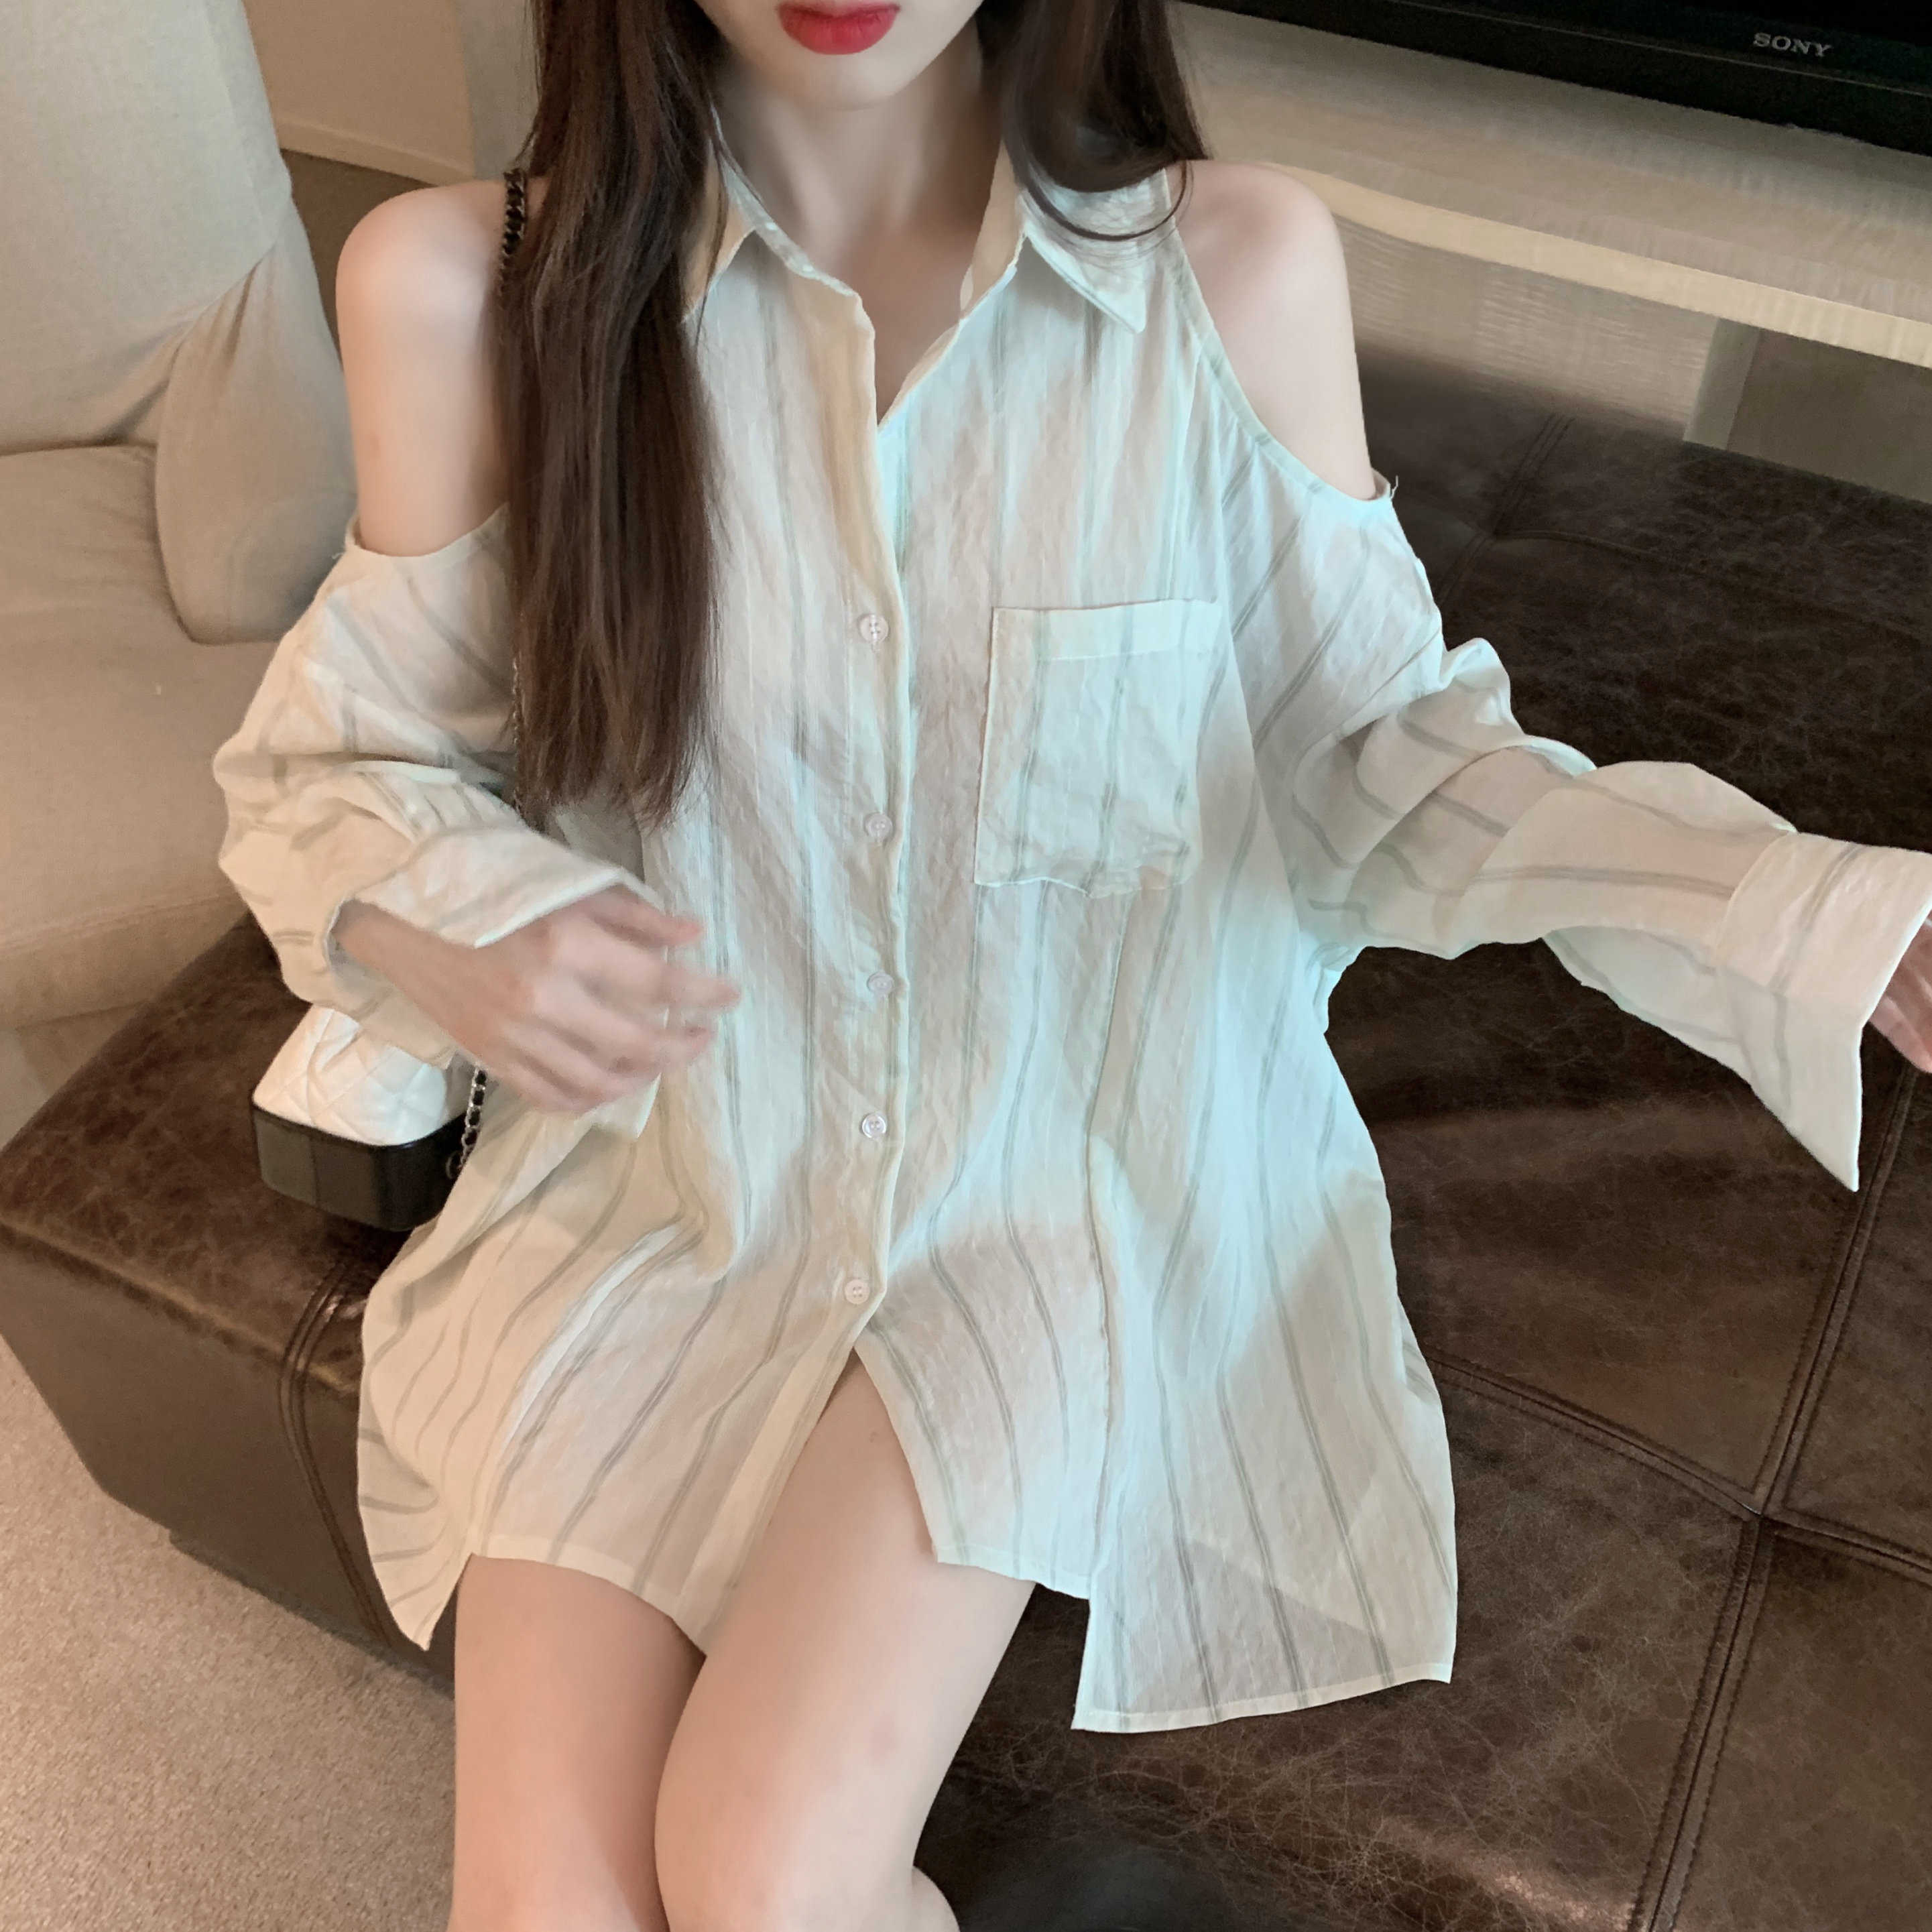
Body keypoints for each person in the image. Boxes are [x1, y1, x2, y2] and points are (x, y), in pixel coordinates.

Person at [210, 1, 1932, 1928]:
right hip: (672, 1181)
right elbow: (343, 771)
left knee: (769, 1878)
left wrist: (1788, 901)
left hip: (1072, 1191)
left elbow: (1391, 759)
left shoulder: (1227, 273)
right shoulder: (472, 291)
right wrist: (457, 927)